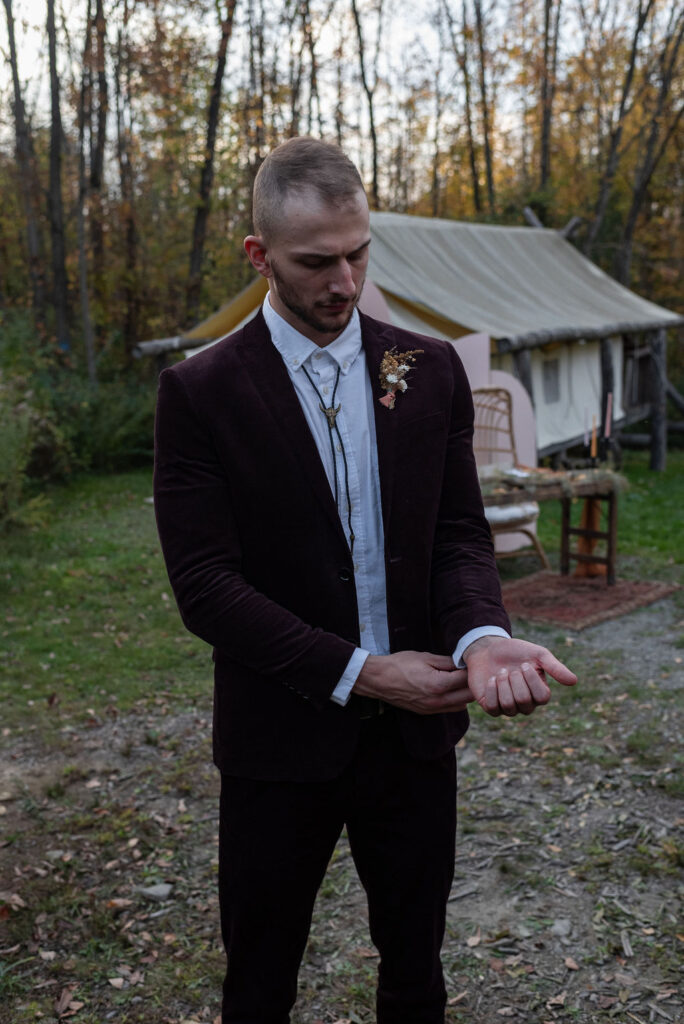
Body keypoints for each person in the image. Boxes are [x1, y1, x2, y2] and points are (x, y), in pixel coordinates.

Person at [153, 136, 577, 1024]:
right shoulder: (201, 393)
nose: (344, 283)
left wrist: (482, 635)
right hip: (278, 745)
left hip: (415, 745)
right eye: (317, 263)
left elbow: (459, 534)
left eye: (358, 254)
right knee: (260, 982)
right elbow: (206, 586)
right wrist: (360, 671)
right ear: (260, 257)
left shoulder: (426, 372)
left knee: (416, 972)